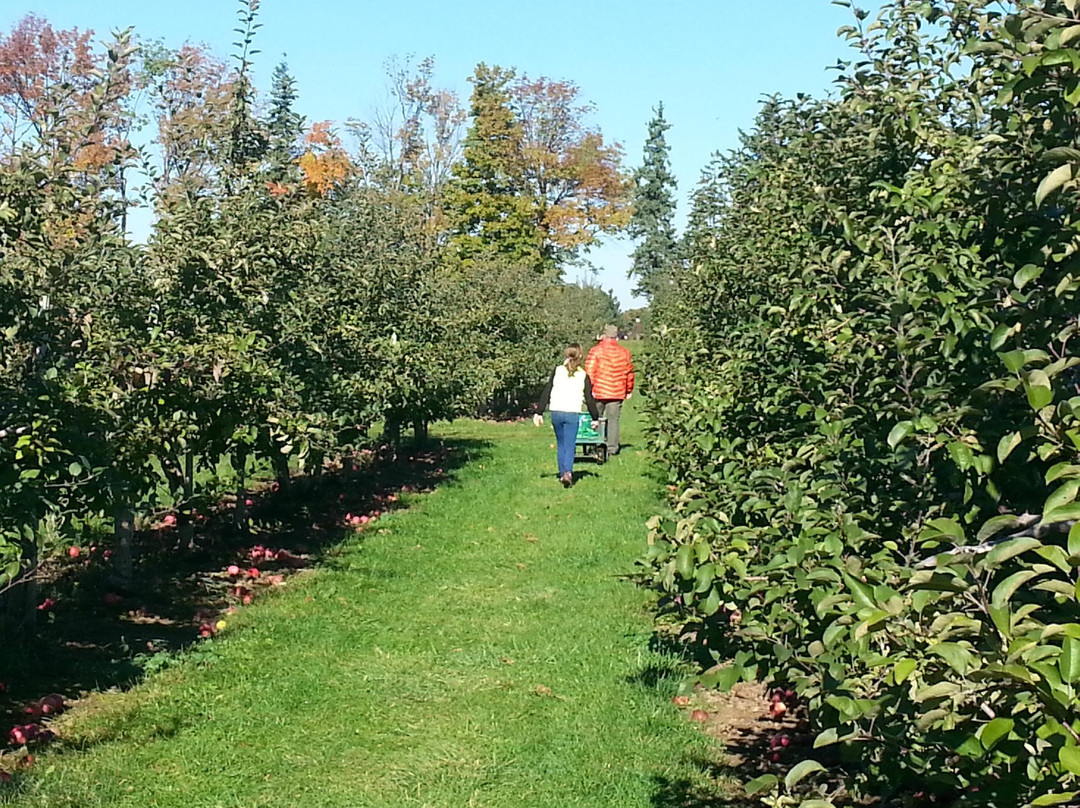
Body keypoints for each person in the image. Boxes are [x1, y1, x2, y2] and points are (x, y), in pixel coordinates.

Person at [533, 343, 600, 487]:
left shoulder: (557, 371)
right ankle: (567, 472)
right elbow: (589, 399)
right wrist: (595, 417)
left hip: (556, 412)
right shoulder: (583, 375)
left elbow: (547, 391)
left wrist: (539, 412)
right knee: (570, 445)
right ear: (580, 356)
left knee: (561, 444)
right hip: (572, 413)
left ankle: (562, 472)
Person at [585, 324, 635, 456]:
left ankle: (594, 445)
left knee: (595, 418)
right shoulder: (624, 352)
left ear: (604, 335)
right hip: (616, 391)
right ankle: (612, 448)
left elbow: (589, 372)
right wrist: (628, 390)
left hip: (598, 391)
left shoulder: (595, 351)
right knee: (613, 420)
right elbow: (629, 373)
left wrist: (589, 389)